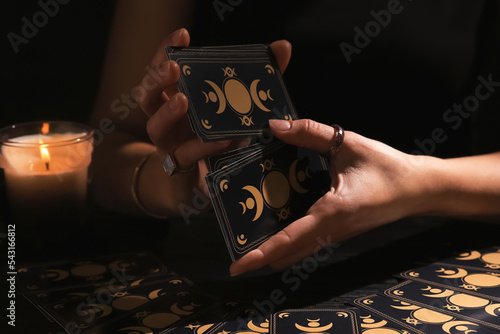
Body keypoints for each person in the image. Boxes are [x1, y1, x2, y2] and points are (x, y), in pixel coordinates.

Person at [89, 1, 500, 277]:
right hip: (229, 277)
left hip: (434, 262)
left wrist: (417, 183)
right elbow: (105, 148)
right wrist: (176, 188)